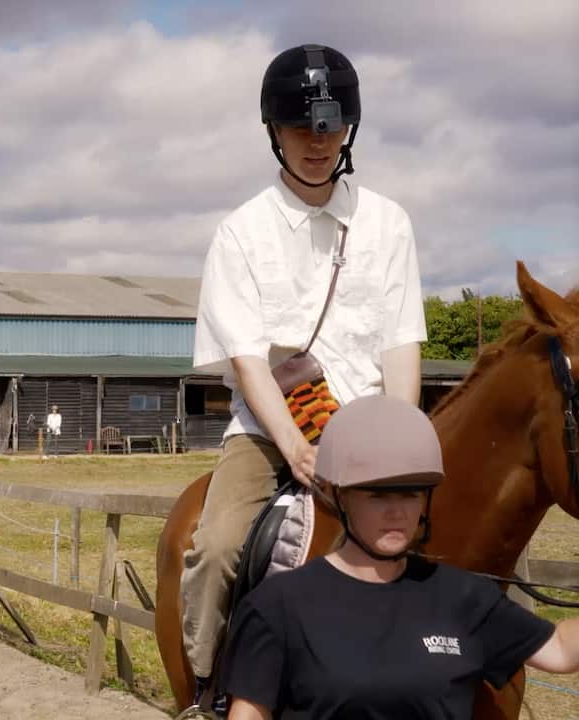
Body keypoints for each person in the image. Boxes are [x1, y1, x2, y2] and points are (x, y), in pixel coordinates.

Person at [181, 43, 428, 710]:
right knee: (219, 547)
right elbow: (248, 363)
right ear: (274, 134)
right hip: (270, 433)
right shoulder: (241, 233)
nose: (318, 144)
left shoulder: (389, 224)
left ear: (349, 129)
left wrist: (398, 444)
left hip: (374, 431)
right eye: (301, 129)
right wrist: (295, 448)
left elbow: (402, 344)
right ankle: (206, 686)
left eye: (331, 128)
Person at [221, 395, 579, 718]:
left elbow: (561, 650)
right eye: (378, 495)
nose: (397, 512)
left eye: (410, 494)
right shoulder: (277, 606)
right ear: (342, 498)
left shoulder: (464, 597)